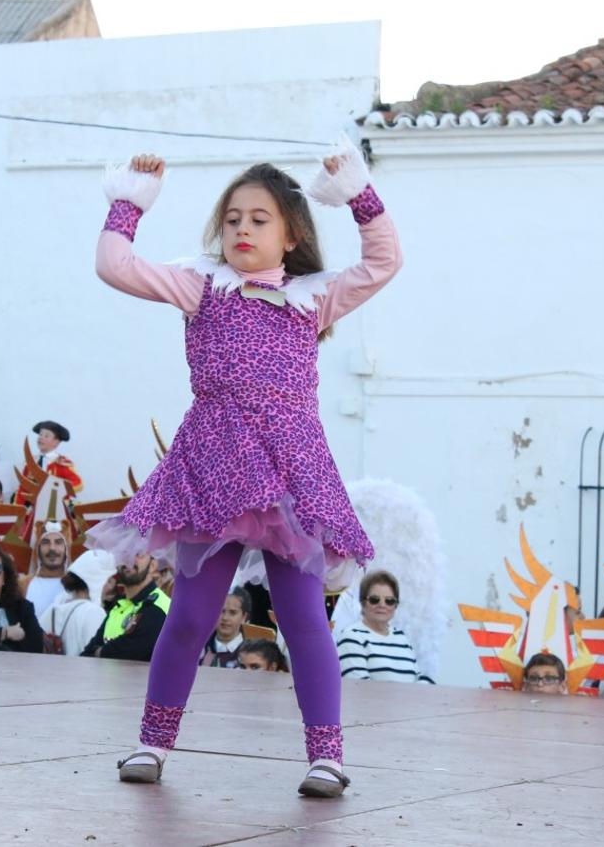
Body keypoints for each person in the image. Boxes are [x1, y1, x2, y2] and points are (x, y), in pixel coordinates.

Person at [87, 143, 400, 797]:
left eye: (258, 219)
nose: (241, 230)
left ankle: (326, 755)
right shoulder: (200, 286)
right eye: (232, 219)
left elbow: (383, 261)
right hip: (213, 468)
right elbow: (113, 266)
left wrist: (358, 196)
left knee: (302, 617)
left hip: (291, 475)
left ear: (290, 235)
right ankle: (151, 741)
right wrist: (128, 204)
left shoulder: (313, 299)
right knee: (191, 615)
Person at [336, 571, 434, 684]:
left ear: (395, 605)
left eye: (389, 601)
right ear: (363, 603)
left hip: (410, 701)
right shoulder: (351, 636)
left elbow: (417, 677)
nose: (382, 605)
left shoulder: (401, 637)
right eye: (374, 599)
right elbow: (359, 686)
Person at [80, 552, 171, 662]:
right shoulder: (118, 606)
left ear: (152, 566)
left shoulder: (158, 606)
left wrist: (100, 651)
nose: (129, 560)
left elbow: (130, 651)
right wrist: (101, 651)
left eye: (138, 554)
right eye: (124, 553)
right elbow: (87, 653)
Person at [38, 548, 116, 656]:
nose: (110, 586)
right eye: (107, 580)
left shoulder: (52, 609)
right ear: (95, 581)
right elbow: (95, 656)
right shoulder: (94, 612)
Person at [25, 522, 71, 616]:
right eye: (45, 542)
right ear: (38, 549)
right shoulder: (23, 586)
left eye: (58, 542)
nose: (52, 548)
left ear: (66, 549)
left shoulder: (78, 586)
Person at [200, 588, 251, 668]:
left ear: (244, 617)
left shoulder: (252, 654)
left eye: (233, 613)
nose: (225, 618)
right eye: (221, 611)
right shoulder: (199, 648)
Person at [28, 421, 83, 495]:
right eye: (40, 434)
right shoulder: (31, 461)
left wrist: (56, 489)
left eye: (46, 436)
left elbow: (78, 483)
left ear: (56, 442)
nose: (41, 438)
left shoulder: (61, 463)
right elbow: (24, 485)